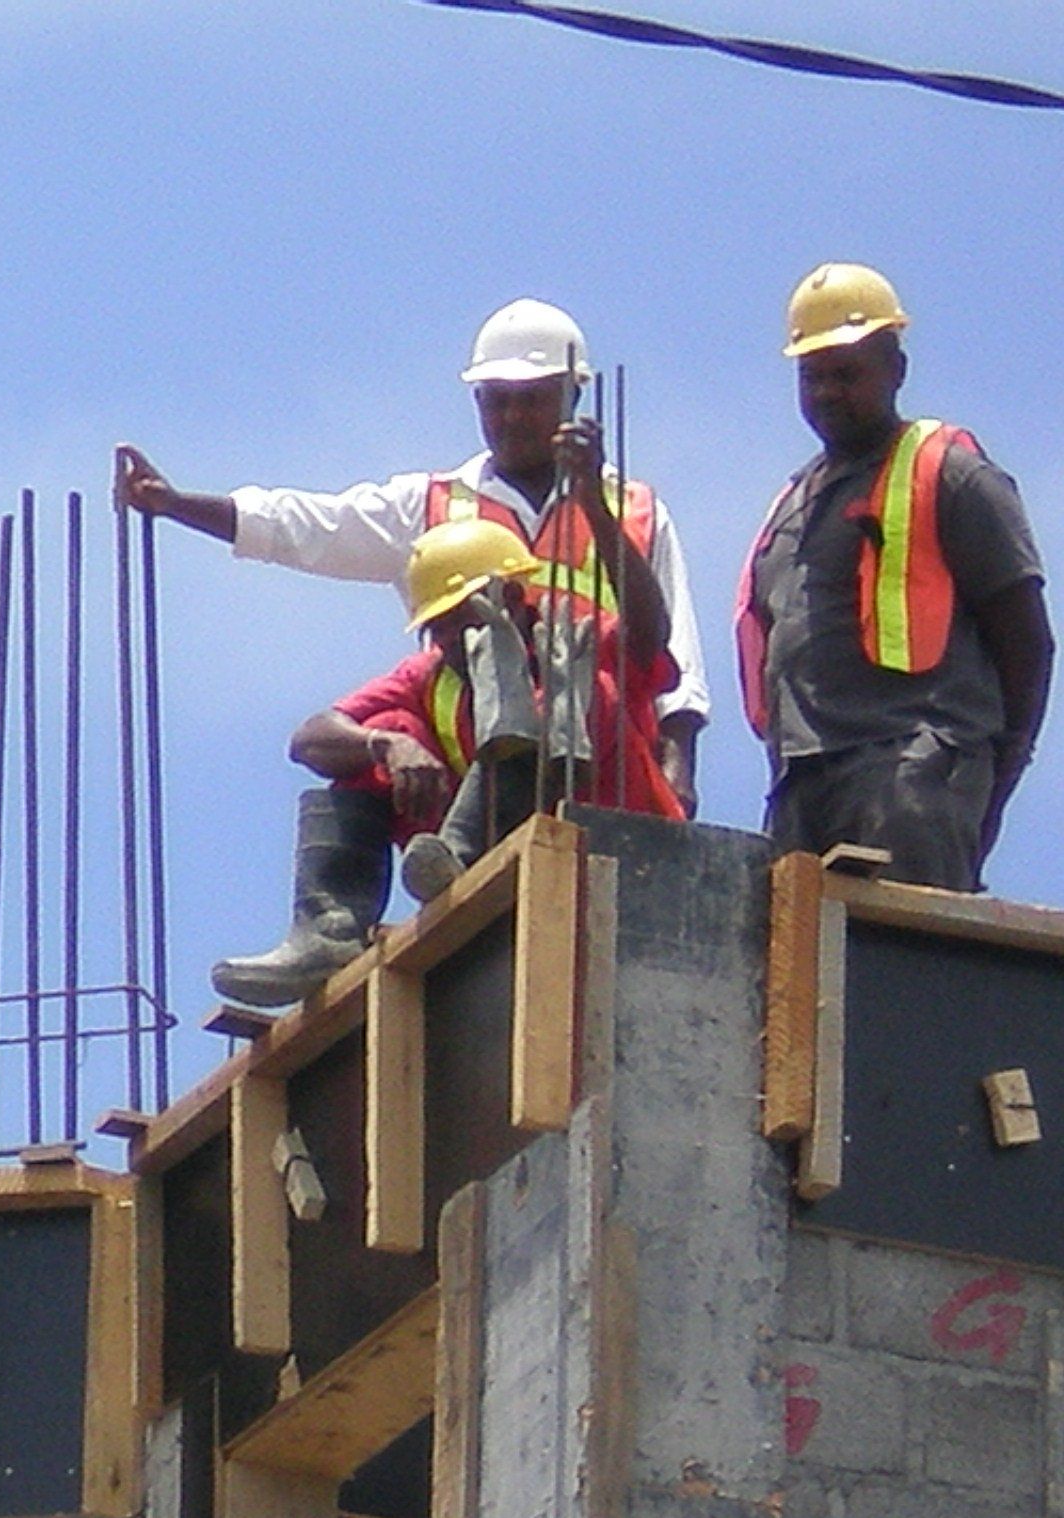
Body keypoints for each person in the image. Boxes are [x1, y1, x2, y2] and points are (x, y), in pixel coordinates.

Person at [117, 297, 712, 810]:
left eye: (531, 399)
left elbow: (673, 649)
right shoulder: (429, 504)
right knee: (380, 736)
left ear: (573, 394)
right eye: (495, 399)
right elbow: (311, 528)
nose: (511, 417)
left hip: (606, 758)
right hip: (484, 758)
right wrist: (175, 505)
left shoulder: (630, 506)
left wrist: (679, 763)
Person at [218, 512, 679, 1006]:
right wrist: (384, 745)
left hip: (632, 859)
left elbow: (649, 631)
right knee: (388, 730)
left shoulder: (575, 644)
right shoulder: (434, 675)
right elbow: (310, 738)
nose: (450, 641)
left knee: (585, 690)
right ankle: (329, 934)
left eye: (462, 619)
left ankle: (461, 856)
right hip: (511, 858)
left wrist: (589, 494)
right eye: (438, 628)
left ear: (514, 598)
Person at [735, 263, 1052, 893]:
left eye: (846, 373)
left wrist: (996, 772)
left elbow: (1026, 640)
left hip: (911, 768)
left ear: (895, 371)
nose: (827, 392)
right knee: (797, 976)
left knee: (903, 966)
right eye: (812, 376)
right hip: (800, 784)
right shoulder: (791, 503)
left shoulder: (950, 475)